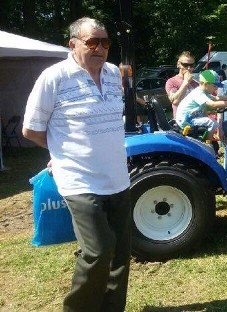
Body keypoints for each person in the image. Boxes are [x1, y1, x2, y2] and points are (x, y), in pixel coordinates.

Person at [22, 17, 132, 311]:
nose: (100, 48)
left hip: (118, 177)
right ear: (73, 44)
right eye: (92, 42)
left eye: (105, 42)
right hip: (79, 181)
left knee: (120, 253)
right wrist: (60, 150)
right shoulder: (54, 77)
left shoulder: (111, 74)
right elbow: (31, 129)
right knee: (98, 250)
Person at [176, 70, 227, 142]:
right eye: (214, 86)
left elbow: (216, 98)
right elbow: (213, 104)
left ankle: (205, 140)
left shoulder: (205, 92)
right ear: (205, 84)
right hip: (186, 120)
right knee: (212, 123)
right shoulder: (198, 93)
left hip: (191, 118)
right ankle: (208, 144)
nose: (216, 88)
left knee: (209, 122)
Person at [165, 51, 199, 119]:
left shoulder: (196, 83)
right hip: (182, 122)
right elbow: (175, 101)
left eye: (191, 65)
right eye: (185, 65)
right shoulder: (171, 82)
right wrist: (185, 82)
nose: (189, 68)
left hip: (198, 121)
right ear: (178, 64)